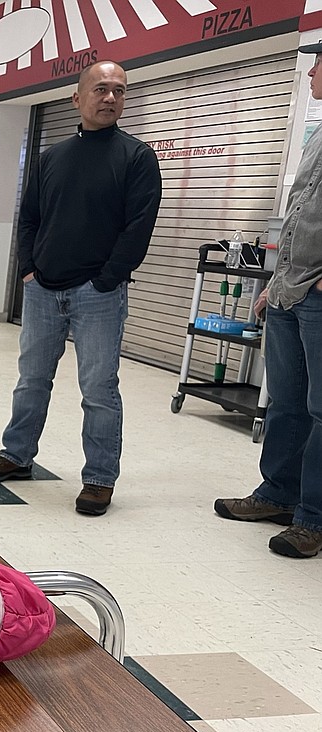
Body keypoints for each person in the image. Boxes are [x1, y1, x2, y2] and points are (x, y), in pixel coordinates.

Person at [0, 61, 162, 517]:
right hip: (43, 289)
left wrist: (107, 279)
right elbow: (30, 219)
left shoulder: (137, 158)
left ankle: (99, 478)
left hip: (97, 292)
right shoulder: (49, 158)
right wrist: (29, 269)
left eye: (119, 90)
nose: (110, 98)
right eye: (100, 89)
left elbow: (139, 228)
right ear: (77, 98)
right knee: (32, 379)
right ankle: (17, 455)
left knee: (98, 388)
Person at [214, 45, 322, 559]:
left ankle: (314, 519)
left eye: (319, 64)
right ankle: (278, 494)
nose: (311, 73)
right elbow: (300, 215)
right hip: (290, 292)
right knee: (285, 402)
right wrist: (275, 286)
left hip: (319, 293)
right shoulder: (317, 136)